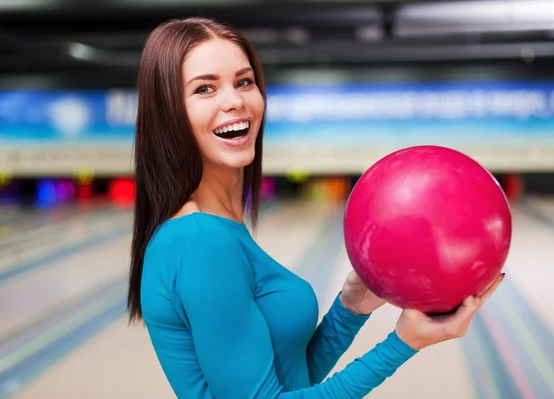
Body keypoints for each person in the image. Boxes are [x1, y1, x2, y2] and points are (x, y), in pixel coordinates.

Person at [127, 17, 504, 399]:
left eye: (244, 81)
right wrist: (402, 344)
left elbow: (293, 376)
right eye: (205, 88)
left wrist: (350, 309)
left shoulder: (215, 229)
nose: (235, 100)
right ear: (169, 111)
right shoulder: (200, 241)